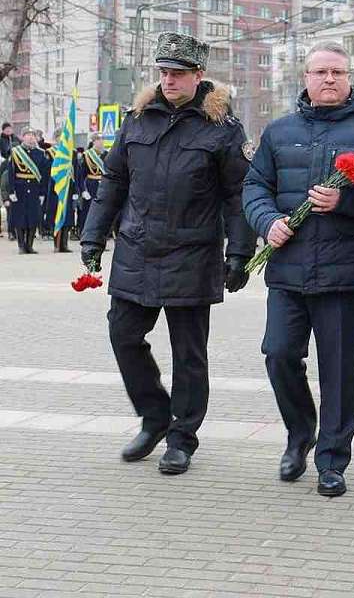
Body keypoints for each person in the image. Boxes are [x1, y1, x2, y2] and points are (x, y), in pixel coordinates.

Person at [80, 32, 256, 475]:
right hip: (137, 250)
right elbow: (113, 182)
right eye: (164, 72)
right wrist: (92, 237)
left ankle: (182, 437)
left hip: (193, 254)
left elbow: (237, 195)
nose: (169, 80)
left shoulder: (222, 129)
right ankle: (155, 416)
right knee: (123, 335)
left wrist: (239, 254)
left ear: (199, 76)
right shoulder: (137, 119)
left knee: (189, 355)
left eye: (178, 73)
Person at [243, 42, 354, 495]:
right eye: (320, 72)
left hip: (343, 273)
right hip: (288, 271)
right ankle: (300, 434)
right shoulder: (279, 132)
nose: (329, 79)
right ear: (306, 77)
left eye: (337, 71)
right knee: (278, 354)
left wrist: (348, 201)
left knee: (338, 370)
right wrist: (267, 221)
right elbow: (255, 186)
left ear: (350, 76)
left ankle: (332, 459)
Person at [5, 128, 48, 254]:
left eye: (33, 135)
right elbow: (11, 173)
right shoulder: (15, 152)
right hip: (19, 188)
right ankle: (21, 246)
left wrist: (42, 192)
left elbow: (44, 175)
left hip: (34, 189)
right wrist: (11, 191)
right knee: (20, 218)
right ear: (23, 137)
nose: (30, 137)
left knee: (33, 217)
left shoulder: (40, 153)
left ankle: (30, 245)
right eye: (28, 135)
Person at [76, 134, 107, 236]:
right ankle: (86, 234)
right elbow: (81, 175)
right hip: (91, 185)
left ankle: (99, 236)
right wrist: (83, 190)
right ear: (93, 142)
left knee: (102, 213)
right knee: (89, 212)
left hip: (103, 186)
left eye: (102, 139)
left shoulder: (106, 154)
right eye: (98, 139)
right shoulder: (86, 155)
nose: (101, 141)